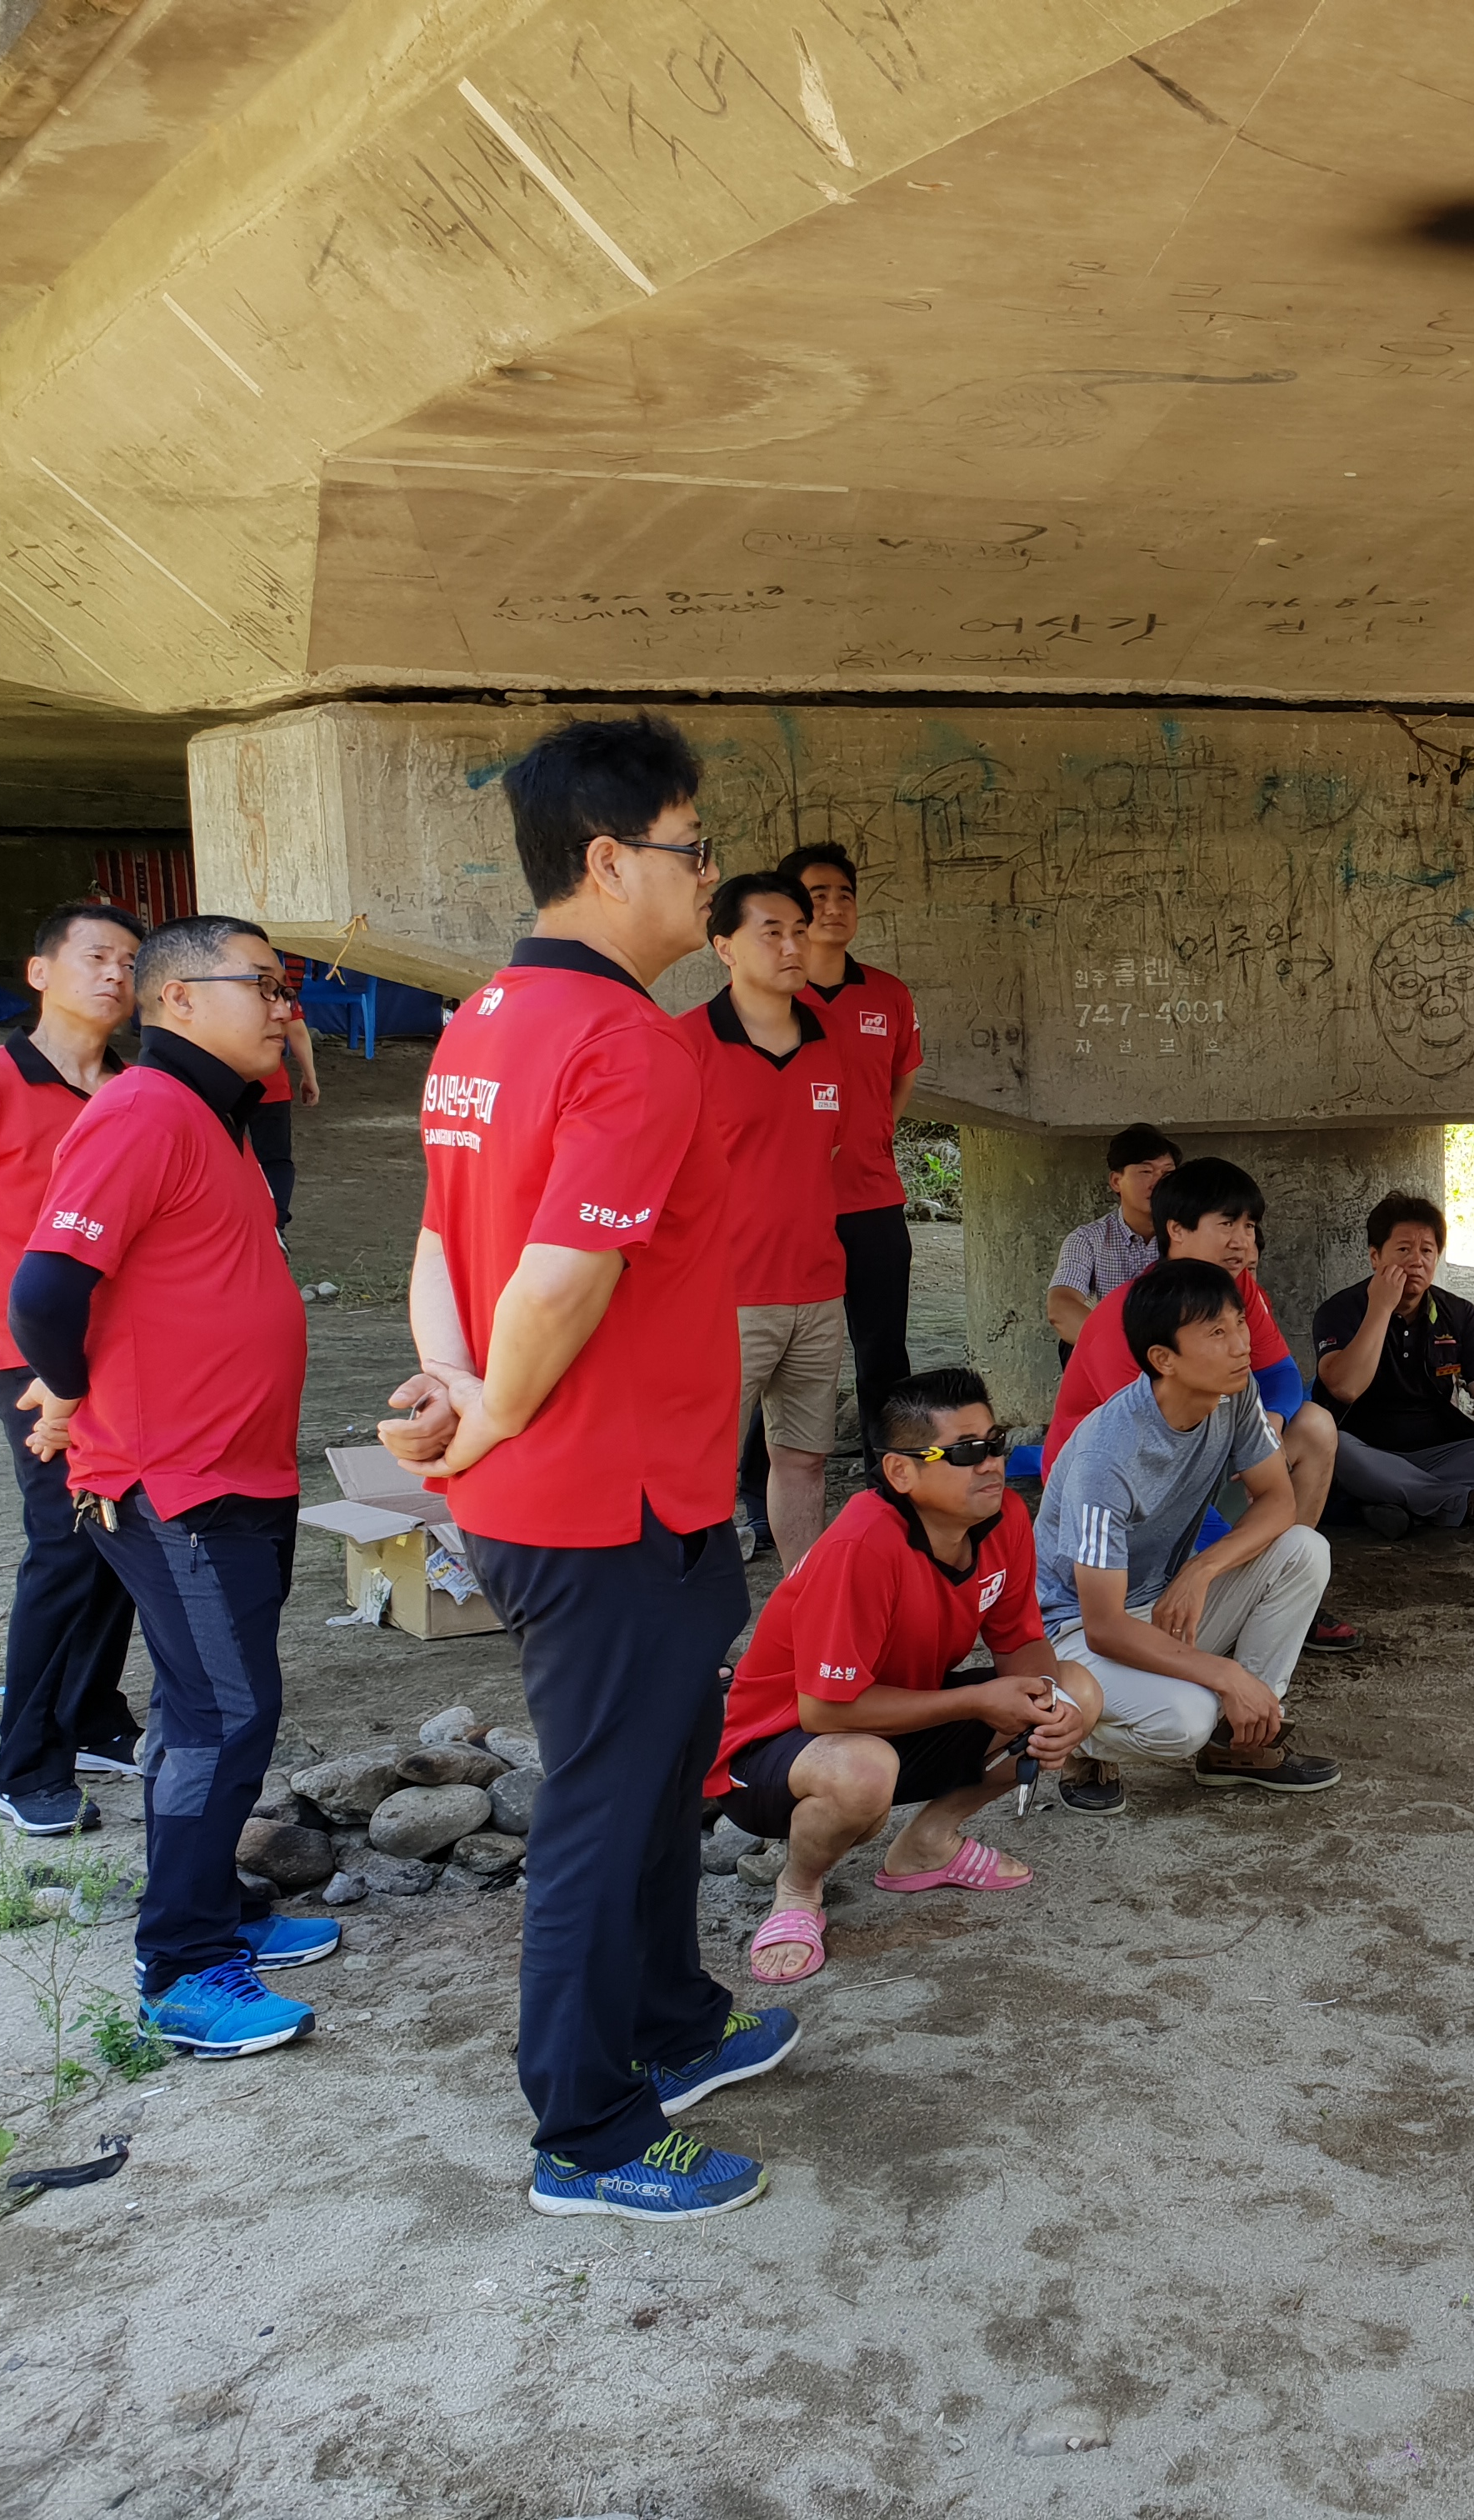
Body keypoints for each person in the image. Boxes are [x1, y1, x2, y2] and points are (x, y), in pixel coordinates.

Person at [381, 713, 792, 2226]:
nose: (708, 875)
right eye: (693, 848)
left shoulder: (482, 1020)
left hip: (610, 1491)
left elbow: (438, 1244)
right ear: (610, 861)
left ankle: (673, 2022)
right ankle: (588, 2129)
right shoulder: (630, 1044)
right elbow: (559, 1277)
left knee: (659, 1778)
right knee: (605, 1814)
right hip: (599, 1500)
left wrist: (451, 1393)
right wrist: (486, 1416)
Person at [11, 914, 337, 2053]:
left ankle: (216, 1909)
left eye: (288, 987)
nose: (285, 1006)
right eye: (265, 985)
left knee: (215, 1707)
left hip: (235, 1469)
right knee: (223, 1713)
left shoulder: (212, 1115)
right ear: (181, 998)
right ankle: (182, 1965)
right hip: (176, 1483)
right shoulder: (144, 1109)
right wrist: (74, 1394)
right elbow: (46, 1289)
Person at [710, 1368, 1101, 1987]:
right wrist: (978, 1700)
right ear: (900, 1472)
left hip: (889, 1723)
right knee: (863, 1770)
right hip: (774, 1750)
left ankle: (928, 1844)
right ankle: (798, 1890)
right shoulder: (862, 1544)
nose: (991, 1464)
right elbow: (823, 1712)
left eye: (995, 1442)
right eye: (965, 1452)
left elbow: (1021, 1639)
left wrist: (1046, 1707)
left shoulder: (1003, 1519)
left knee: (1074, 1690)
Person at [1042, 1156, 1356, 1809]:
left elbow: (1279, 1500)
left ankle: (1242, 1741)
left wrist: (1202, 1569)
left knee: (1304, 1549)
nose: (1243, 1346)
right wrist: (1225, 1674)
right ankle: (1068, 1733)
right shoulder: (1107, 1451)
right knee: (1187, 1716)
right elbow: (1102, 1624)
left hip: (1157, 1594)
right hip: (1078, 1632)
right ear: (1163, 1359)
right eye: (1219, 1333)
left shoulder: (1230, 1391)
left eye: (1239, 1326)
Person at [0, 901, 144, 1834]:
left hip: (130, 1355)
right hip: (32, 1356)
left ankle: (90, 1715)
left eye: (129, 960)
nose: (116, 973)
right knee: (64, 1542)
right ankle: (23, 1761)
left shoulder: (140, 1091)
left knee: (123, 1532)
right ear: (40, 971)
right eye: (96, 956)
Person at [676, 872, 847, 1572]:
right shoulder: (685, 1044)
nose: (792, 946)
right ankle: (695, 1607)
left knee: (805, 1459)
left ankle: (806, 1603)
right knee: (704, 1466)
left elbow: (824, 1154)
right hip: (724, 1296)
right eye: (771, 932)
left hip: (818, 1289)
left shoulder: (830, 1040)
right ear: (724, 947)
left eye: (799, 931)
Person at [781, 843, 923, 1463]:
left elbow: (901, 1075)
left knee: (883, 1351)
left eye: (845, 895)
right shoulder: (769, 994)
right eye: (819, 896)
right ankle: (759, 1492)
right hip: (789, 1209)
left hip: (872, 1200)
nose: (835, 907)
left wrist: (873, 1132)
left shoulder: (888, 994)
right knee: (779, 1354)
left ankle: (887, 1475)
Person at [1311, 1192, 1474, 1537]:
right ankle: (1464, 1503)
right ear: (1375, 1257)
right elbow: (1345, 1387)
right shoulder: (1340, 1311)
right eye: (1403, 1250)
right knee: (1335, 1448)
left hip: (1440, 1454)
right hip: (1367, 1451)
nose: (1416, 1262)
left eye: (1427, 1251)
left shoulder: (1459, 1315)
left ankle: (1397, 1502)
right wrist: (1381, 1308)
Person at [1048, 1122, 1178, 1362]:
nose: (1158, 1182)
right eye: (1145, 1172)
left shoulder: (1191, 1234)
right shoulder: (1088, 1239)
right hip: (1111, 1357)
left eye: (1167, 1173)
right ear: (1116, 1181)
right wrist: (1125, 1351)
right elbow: (1061, 1307)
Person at [244, 980, 319, 1232]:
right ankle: (275, 1226)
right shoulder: (276, 983)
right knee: (275, 1158)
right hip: (269, 1081)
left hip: (226, 1080)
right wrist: (309, 1076)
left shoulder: (209, 976)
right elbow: (296, 1030)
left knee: (221, 1153)